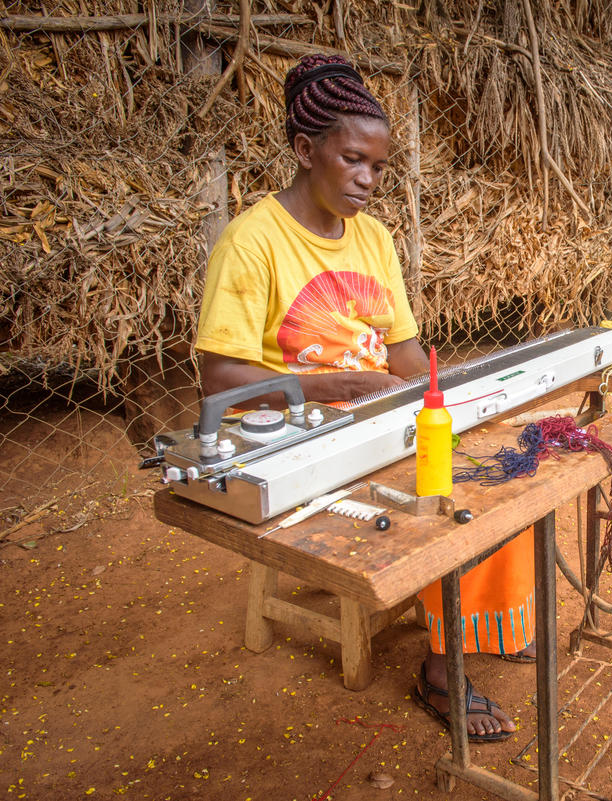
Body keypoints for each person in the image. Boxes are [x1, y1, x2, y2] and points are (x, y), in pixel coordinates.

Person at [194, 54, 534, 743]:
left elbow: (403, 352)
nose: (368, 181)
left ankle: (476, 622)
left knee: (505, 475)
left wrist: (451, 390)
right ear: (304, 149)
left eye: (378, 168)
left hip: (375, 422)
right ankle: (442, 669)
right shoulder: (251, 243)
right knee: (459, 503)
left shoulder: (374, 239)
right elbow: (218, 382)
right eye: (353, 160)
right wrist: (342, 385)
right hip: (302, 440)